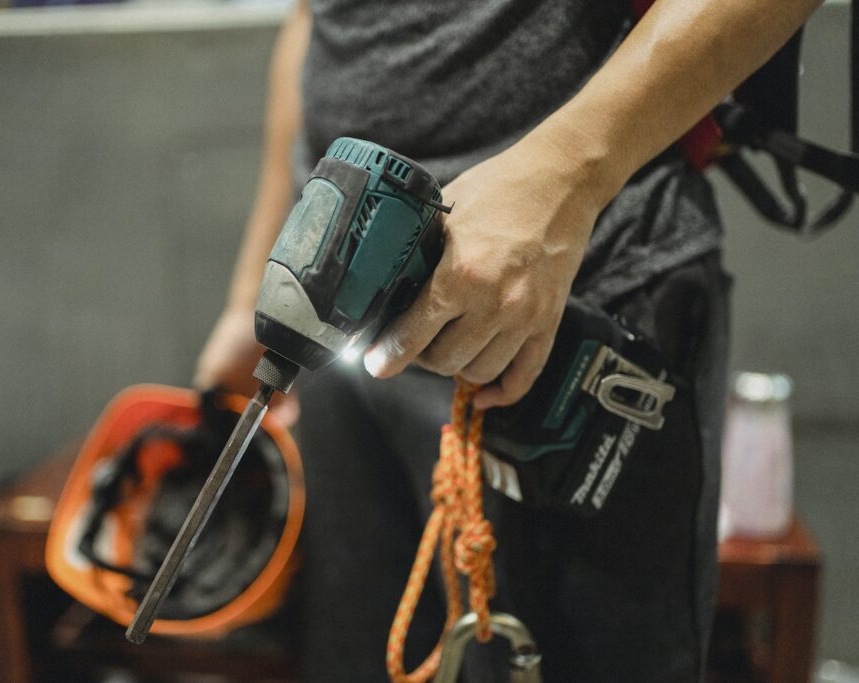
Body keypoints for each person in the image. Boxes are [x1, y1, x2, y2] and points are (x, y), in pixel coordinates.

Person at [194, 0, 820, 680]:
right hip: (348, 314)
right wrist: (252, 286)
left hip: (570, 300)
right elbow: (316, 19)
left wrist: (564, 177)